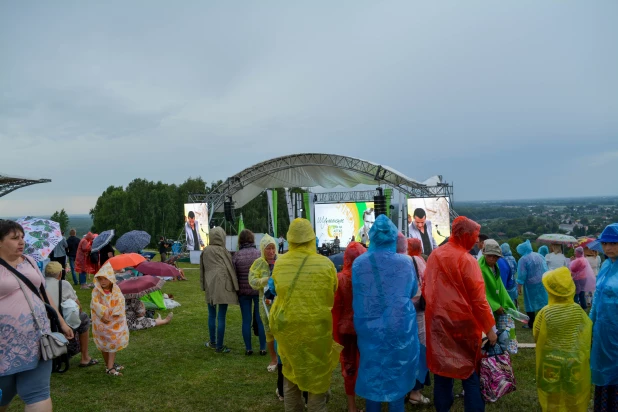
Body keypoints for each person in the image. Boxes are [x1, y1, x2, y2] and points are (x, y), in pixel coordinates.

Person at [424, 216, 497, 412]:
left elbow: (427, 289)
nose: (476, 241)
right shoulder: (467, 261)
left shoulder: (435, 256)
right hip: (464, 326)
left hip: (439, 324)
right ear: (464, 235)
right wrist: (490, 329)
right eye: (474, 236)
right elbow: (478, 301)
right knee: (470, 375)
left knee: (442, 374)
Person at [0, 220, 74, 412]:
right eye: (14, 238)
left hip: (37, 340)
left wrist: (61, 321)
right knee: (3, 396)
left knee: (38, 394)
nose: (21, 242)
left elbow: (43, 294)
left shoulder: (30, 261)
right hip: (3, 346)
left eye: (22, 237)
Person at [269, 218, 341, 411]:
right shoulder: (326, 264)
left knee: (291, 375)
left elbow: (275, 288)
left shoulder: (280, 263)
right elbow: (333, 289)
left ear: (290, 238)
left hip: (288, 330)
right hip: (317, 330)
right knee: (317, 373)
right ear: (311, 238)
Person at [353, 219, 420, 412]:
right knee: (397, 375)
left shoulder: (359, 263)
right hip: (399, 326)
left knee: (373, 374)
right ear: (393, 236)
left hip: (369, 328)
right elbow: (412, 290)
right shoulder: (405, 263)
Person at [534, 267, 592, 412]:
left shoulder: (545, 312)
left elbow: (537, 334)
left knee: (552, 392)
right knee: (573, 391)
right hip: (574, 359)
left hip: (551, 360)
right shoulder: (578, 310)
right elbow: (585, 331)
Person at [332, 242, 367, 412]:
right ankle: (370, 402)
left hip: (345, 328)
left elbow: (335, 307)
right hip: (365, 328)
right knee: (368, 364)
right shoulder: (366, 279)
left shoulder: (340, 278)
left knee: (349, 367)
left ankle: (352, 407)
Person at [44, 261, 99, 367]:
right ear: (60, 274)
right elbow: (78, 306)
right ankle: (85, 357)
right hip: (59, 322)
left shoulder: (39, 284)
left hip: (44, 322)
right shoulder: (63, 284)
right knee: (84, 317)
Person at [590, 223, 618, 412]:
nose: (608, 247)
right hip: (602, 332)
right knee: (603, 372)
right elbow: (597, 298)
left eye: (614, 243)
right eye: (605, 243)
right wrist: (589, 324)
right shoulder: (607, 265)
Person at [200, 227, 238, 353]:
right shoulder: (224, 251)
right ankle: (219, 346)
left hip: (210, 283)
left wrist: (203, 285)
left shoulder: (205, 251)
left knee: (211, 315)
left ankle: (213, 342)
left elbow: (202, 270)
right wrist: (235, 286)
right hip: (223, 283)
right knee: (221, 316)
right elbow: (230, 268)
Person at [91, 263, 129, 376]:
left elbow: (120, 302)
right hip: (101, 323)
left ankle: (110, 366)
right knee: (104, 344)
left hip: (114, 323)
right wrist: (103, 315)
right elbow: (95, 304)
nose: (103, 282)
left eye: (105, 279)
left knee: (113, 343)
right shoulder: (96, 291)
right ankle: (108, 365)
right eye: (100, 279)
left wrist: (114, 314)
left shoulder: (116, 291)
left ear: (111, 278)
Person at [405, 237, 431, 405]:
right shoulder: (423, 261)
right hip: (422, 310)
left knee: (408, 349)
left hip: (407, 311)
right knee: (421, 348)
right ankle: (417, 390)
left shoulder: (406, 261)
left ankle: (410, 390)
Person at [479, 240, 518, 352]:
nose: (492, 259)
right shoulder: (480, 268)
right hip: (486, 308)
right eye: (490, 256)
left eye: (496, 257)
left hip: (499, 306)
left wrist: (507, 303)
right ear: (485, 254)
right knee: (489, 337)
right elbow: (481, 291)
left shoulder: (495, 267)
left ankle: (501, 352)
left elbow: (500, 287)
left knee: (503, 335)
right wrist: (495, 305)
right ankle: (492, 358)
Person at [233, 229, 266, 356]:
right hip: (258, 290)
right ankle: (263, 347)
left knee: (246, 320)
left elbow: (234, 274)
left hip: (243, 292)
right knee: (260, 319)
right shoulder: (259, 254)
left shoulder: (236, 255)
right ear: (252, 239)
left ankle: (248, 348)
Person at [248, 234, 279, 370]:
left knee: (281, 329)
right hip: (265, 303)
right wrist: (266, 280)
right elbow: (252, 281)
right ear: (262, 249)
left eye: (273, 248)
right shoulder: (258, 263)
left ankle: (283, 358)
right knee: (269, 331)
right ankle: (273, 359)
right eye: (268, 249)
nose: (271, 252)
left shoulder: (281, 261)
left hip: (280, 301)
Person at [516, 240, 549, 330]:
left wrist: (519, 286)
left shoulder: (523, 259)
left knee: (530, 304)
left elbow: (522, 274)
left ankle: (532, 323)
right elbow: (545, 268)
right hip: (542, 282)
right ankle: (545, 321)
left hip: (530, 285)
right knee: (543, 301)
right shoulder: (539, 255)